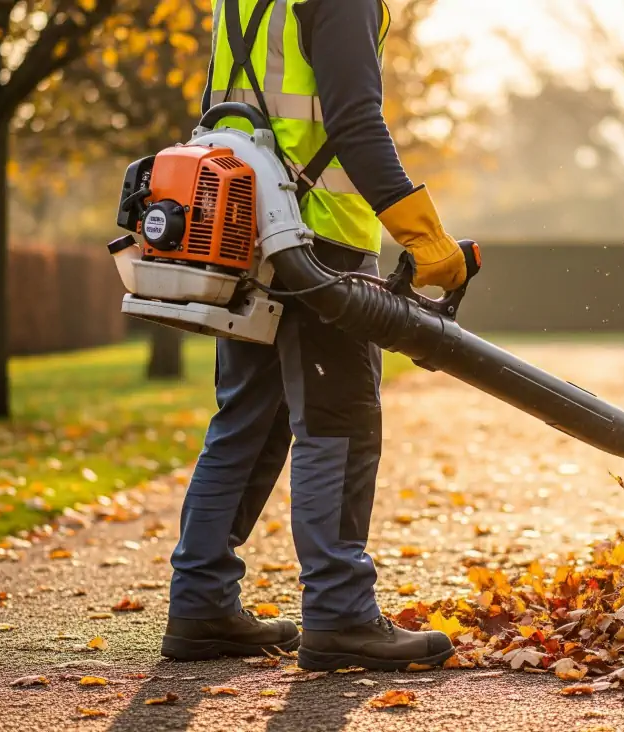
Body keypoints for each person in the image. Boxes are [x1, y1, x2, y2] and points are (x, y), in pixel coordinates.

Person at [161, 0, 463, 672]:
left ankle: (201, 602)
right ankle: (341, 614)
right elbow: (354, 122)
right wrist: (422, 233)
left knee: (246, 416)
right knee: (340, 420)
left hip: (240, 227)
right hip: (316, 234)